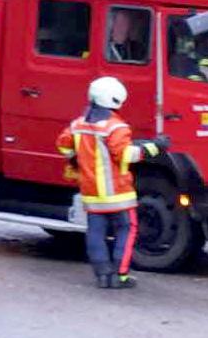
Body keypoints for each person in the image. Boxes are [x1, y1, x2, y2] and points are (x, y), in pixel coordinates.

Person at [60, 75, 160, 289]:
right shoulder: (116, 127)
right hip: (118, 193)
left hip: (91, 192)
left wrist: (76, 159)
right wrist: (154, 148)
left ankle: (102, 274)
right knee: (127, 230)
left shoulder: (78, 125)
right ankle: (120, 275)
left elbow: (63, 146)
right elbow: (126, 154)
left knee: (95, 233)